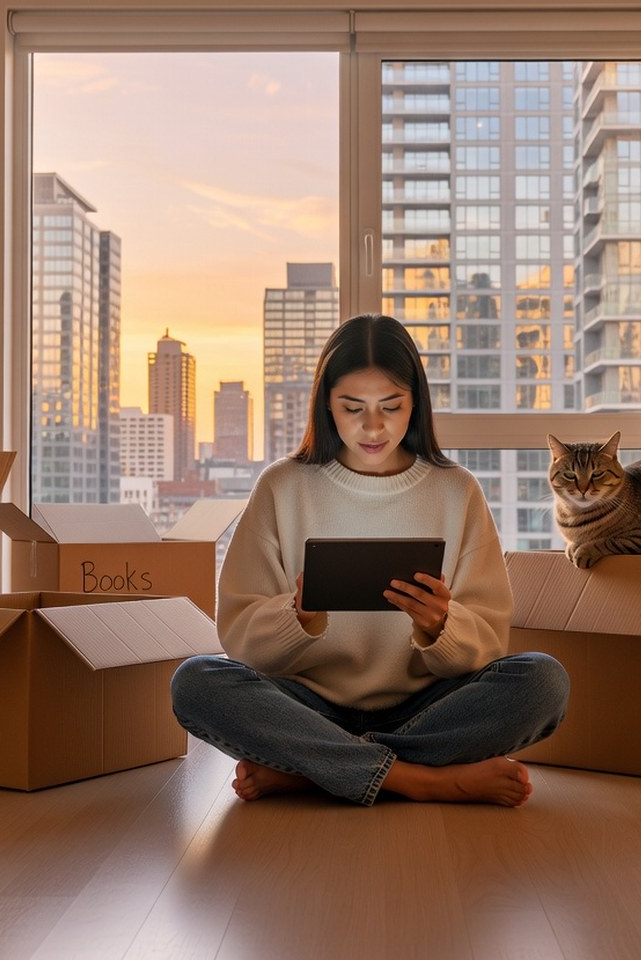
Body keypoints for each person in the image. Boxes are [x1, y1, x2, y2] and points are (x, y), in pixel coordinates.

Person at [171, 314, 570, 807]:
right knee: (197, 682)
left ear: (415, 404)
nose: (373, 426)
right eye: (352, 407)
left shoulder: (456, 490)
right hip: (307, 708)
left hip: (426, 708)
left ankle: (316, 772)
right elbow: (239, 641)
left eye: (391, 405)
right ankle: (421, 780)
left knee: (542, 681)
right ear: (326, 406)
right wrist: (296, 618)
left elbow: (488, 645)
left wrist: (441, 626)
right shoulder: (282, 486)